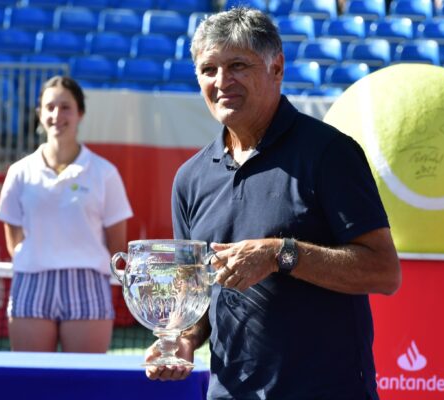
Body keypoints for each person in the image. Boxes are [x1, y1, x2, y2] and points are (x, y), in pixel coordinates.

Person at [144, 7, 401, 399]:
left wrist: (281, 254)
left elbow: (384, 271)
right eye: (208, 69)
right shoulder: (190, 179)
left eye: (237, 65)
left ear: (276, 68)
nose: (221, 81)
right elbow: (194, 297)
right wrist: (182, 339)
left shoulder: (330, 154)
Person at [0, 76, 133, 353]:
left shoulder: (104, 172)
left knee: (85, 387)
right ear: (40, 114)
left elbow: (117, 246)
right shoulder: (19, 172)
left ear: (80, 113)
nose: (57, 115)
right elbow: (14, 242)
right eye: (50, 107)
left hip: (88, 285)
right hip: (31, 283)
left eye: (66, 107)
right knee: (31, 384)